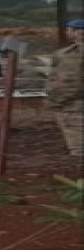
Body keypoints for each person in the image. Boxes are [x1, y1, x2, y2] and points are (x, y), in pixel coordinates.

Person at [45, 20, 84, 157]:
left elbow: (70, 80)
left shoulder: (71, 54)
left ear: (78, 32)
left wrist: (57, 99)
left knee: (77, 140)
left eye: (69, 29)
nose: (67, 32)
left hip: (74, 101)